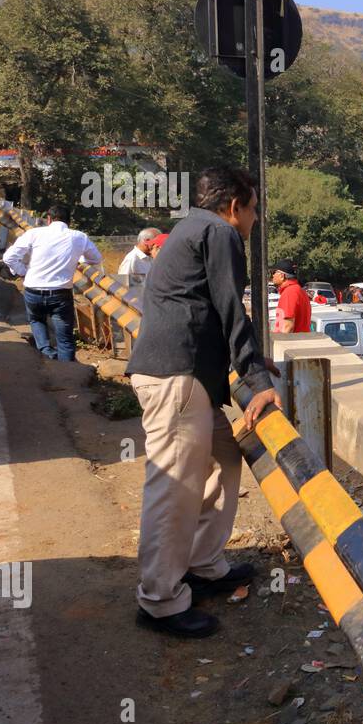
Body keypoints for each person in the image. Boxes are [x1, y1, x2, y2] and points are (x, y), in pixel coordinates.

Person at [126, 166, 281, 638]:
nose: (254, 221)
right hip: (176, 378)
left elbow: (211, 310)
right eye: (254, 211)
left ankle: (201, 563)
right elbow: (231, 306)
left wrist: (252, 360)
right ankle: (159, 599)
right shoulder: (219, 232)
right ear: (235, 206)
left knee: (222, 460)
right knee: (173, 488)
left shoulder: (190, 226)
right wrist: (255, 378)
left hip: (185, 377)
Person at [2, 205, 103, 361]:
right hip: (60, 293)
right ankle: (68, 374)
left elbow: (9, 258)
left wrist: (23, 272)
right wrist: (76, 259)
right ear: (69, 222)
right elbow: (96, 259)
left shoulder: (34, 233)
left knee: (36, 320)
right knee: (65, 338)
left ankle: (47, 356)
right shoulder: (79, 237)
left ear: (48, 219)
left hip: (33, 290)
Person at [271, 259, 311, 333]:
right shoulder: (298, 290)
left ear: (282, 276)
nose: (272, 275)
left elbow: (287, 327)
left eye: (274, 272)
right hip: (299, 341)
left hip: (292, 343)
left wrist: (280, 343)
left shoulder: (289, 292)